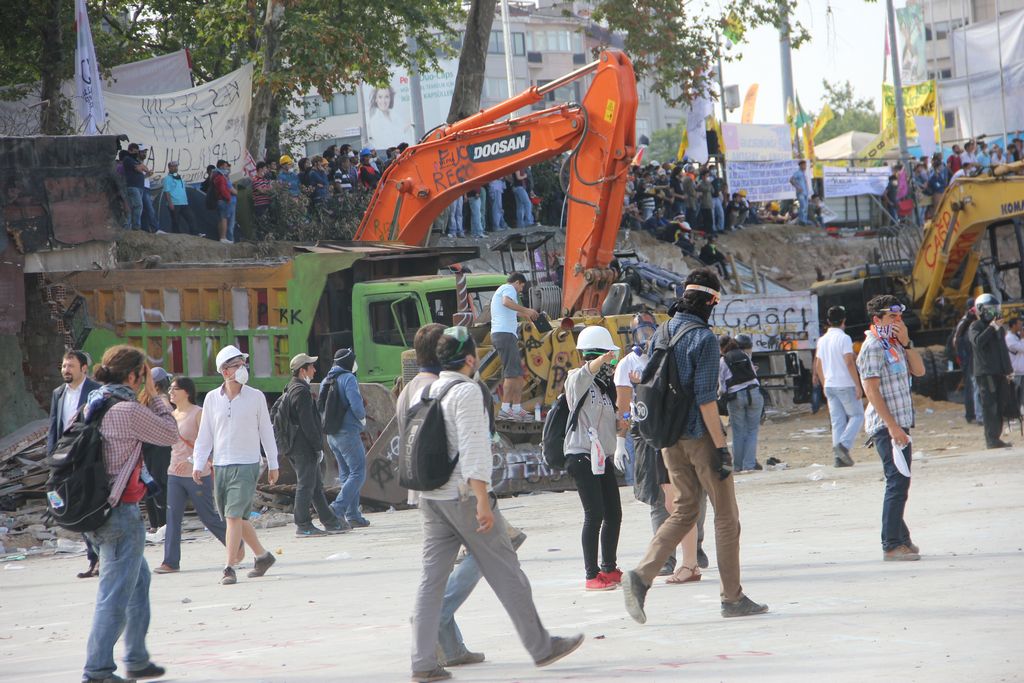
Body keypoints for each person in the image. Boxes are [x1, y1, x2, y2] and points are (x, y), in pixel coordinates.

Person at [408, 326, 584, 682]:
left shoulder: (426, 390)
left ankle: (423, 662)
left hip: (431, 498)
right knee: (508, 574)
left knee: (431, 581)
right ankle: (541, 646)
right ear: (471, 358)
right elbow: (474, 449)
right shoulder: (467, 391)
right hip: (463, 497)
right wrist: (483, 501)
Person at [621, 268, 769, 623]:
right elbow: (705, 401)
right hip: (699, 438)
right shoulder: (703, 339)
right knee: (726, 517)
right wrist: (721, 448)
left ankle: (641, 576)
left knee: (684, 510)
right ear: (708, 301)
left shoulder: (663, 330)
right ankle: (732, 598)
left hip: (668, 440)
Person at [397, 323, 527, 669]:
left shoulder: (410, 389)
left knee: (438, 569)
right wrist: (481, 498)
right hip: (457, 492)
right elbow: (472, 445)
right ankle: (438, 617)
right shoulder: (453, 389)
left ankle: (450, 647)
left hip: (426, 491)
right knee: (492, 552)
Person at [82, 344, 178, 683]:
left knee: (138, 582)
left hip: (96, 510)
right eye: (144, 374)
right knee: (114, 595)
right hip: (120, 513)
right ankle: (97, 671)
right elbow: (170, 434)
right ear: (136, 375)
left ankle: (135, 657)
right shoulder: (127, 410)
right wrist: (154, 397)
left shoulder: (93, 402)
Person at [191, 345, 280, 585]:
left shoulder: (256, 396)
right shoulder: (211, 399)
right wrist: (198, 463)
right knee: (237, 517)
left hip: (247, 463)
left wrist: (273, 463)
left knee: (232, 516)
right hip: (221, 465)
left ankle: (229, 567)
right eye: (236, 365)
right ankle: (263, 556)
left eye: (243, 364)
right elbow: (205, 434)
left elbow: (267, 432)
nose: (241, 369)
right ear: (224, 371)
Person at [856, 296, 925, 561]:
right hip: (887, 425)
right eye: (891, 317)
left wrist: (907, 342)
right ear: (877, 320)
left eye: (899, 317)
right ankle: (891, 544)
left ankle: (902, 538)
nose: (898, 321)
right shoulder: (873, 346)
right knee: (897, 482)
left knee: (900, 480)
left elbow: (918, 371)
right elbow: (871, 391)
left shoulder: (895, 344)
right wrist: (893, 427)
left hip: (900, 423)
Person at [563, 326, 623, 591]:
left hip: (602, 458)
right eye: (608, 359)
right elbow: (587, 371)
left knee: (614, 513)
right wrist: (603, 358)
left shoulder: (605, 388)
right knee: (594, 514)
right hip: (580, 456)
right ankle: (591, 574)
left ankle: (609, 568)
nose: (611, 365)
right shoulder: (576, 380)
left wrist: (622, 426)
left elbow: (608, 424)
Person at [153, 377, 229, 574]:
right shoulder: (171, 415)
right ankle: (170, 561)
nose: (171, 392)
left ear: (186, 392)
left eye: (175, 389)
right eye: (170, 389)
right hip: (174, 474)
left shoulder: (198, 413)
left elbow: (208, 442)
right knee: (173, 517)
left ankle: (235, 544)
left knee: (208, 517)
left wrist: (190, 462)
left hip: (197, 474)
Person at [282, 353, 349, 536]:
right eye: (311, 366)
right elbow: (307, 423)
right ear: (302, 370)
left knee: (315, 485)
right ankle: (303, 524)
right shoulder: (300, 391)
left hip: (299, 445)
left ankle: (330, 521)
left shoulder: (292, 387)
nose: (314, 369)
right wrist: (317, 445)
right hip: (303, 447)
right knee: (306, 484)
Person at [48, 350, 101, 578]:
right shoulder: (58, 394)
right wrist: (51, 458)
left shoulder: (95, 391)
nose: (65, 370)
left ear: (84, 369)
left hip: (88, 458)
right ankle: (94, 559)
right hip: (65, 459)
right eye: (63, 366)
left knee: (91, 505)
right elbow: (54, 427)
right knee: (74, 506)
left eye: (70, 366)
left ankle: (100, 559)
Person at [324, 348, 371, 528]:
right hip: (348, 433)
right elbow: (357, 406)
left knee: (346, 474)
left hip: (332, 435)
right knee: (358, 473)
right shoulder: (349, 379)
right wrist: (361, 418)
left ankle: (353, 515)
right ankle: (337, 508)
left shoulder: (326, 380)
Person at [814, 305, 863, 468]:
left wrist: (823, 383)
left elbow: (818, 364)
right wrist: (858, 384)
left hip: (829, 384)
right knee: (857, 416)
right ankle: (843, 446)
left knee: (838, 422)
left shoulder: (822, 340)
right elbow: (849, 362)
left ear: (828, 321)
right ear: (844, 320)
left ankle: (838, 458)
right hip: (844, 383)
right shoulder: (844, 338)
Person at [489, 272, 540, 421]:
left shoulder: (503, 290)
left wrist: (523, 315)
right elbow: (506, 302)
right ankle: (505, 409)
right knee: (511, 373)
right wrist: (526, 310)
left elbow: (507, 309)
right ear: (518, 282)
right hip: (504, 334)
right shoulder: (508, 288)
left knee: (518, 373)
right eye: (521, 287)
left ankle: (517, 408)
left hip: (506, 335)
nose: (520, 291)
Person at [968, 293, 1014, 449]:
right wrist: (992, 327)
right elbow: (978, 342)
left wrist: (1009, 370)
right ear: (981, 310)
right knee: (990, 406)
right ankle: (991, 439)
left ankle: (996, 437)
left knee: (1001, 405)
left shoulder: (999, 329)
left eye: (995, 309)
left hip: (1000, 372)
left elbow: (1003, 350)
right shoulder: (975, 326)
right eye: (990, 309)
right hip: (985, 373)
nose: (994, 313)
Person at [719, 334, 763, 473]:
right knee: (752, 431)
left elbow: (722, 388)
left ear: (722, 348)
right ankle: (749, 465)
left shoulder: (723, 360)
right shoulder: (744, 355)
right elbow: (754, 375)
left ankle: (737, 466)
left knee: (738, 432)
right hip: (754, 394)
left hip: (735, 397)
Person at [141, 368, 173, 538]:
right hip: (160, 448)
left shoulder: (143, 399)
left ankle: (154, 524)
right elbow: (170, 415)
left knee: (149, 483)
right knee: (161, 483)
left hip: (146, 448)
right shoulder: (160, 400)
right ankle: (164, 524)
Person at [952, 300, 980, 424]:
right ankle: (971, 414)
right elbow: (957, 341)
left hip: (967, 359)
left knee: (972, 387)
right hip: (969, 359)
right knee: (972, 387)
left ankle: (972, 414)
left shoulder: (965, 323)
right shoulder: (966, 323)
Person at [163, 161, 199, 235]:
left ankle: (195, 234)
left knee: (191, 218)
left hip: (184, 202)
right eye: (173, 166)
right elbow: (167, 192)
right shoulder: (167, 179)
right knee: (176, 221)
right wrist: (170, 203)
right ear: (169, 168)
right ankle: (176, 235)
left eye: (176, 166)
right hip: (174, 203)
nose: (175, 168)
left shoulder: (180, 178)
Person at [122, 143, 151, 231]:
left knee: (132, 207)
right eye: (134, 151)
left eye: (137, 152)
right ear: (129, 151)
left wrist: (142, 167)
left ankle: (128, 227)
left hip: (139, 187)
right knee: (138, 206)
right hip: (132, 186)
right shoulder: (128, 159)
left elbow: (145, 169)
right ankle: (136, 227)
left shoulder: (136, 160)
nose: (136, 153)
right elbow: (139, 169)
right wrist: (142, 167)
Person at [211, 159, 237, 244]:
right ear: (221, 166)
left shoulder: (216, 175)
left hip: (220, 200)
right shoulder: (220, 176)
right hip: (223, 200)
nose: (227, 168)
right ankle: (223, 237)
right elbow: (223, 189)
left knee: (221, 219)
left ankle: (222, 237)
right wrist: (228, 198)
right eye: (225, 166)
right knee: (224, 219)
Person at [1005, 317, 1024, 410]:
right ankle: (1014, 412)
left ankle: (1021, 411)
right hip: (1015, 371)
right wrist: (1023, 338)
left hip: (1022, 370)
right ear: (1013, 325)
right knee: (1015, 394)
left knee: (1022, 395)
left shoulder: (1017, 336)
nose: (1021, 326)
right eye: (1019, 324)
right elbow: (1021, 348)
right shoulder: (1009, 338)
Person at [790, 160, 810, 225]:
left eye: (805, 165)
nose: (805, 166)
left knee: (806, 207)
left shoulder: (804, 173)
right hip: (800, 193)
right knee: (803, 206)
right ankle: (802, 221)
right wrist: (797, 187)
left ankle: (804, 220)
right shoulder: (798, 173)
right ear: (800, 165)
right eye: (804, 165)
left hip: (806, 193)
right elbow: (791, 180)